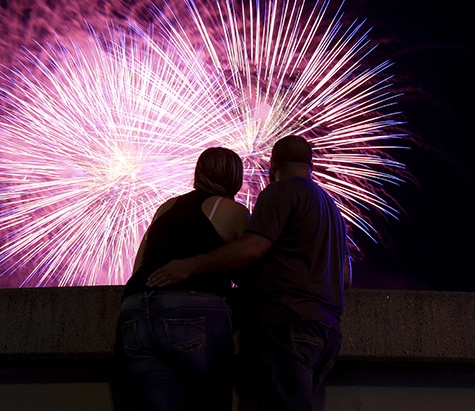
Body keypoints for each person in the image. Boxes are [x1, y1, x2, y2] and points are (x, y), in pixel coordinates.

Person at [147, 135, 352, 411]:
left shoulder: (280, 192)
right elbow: (346, 277)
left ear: (272, 164)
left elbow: (252, 248)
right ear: (310, 165)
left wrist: (189, 265)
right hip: (327, 328)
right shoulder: (333, 209)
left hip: (288, 321)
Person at [118, 147, 250, 411]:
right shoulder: (233, 211)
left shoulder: (165, 208)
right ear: (235, 177)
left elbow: (139, 264)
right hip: (191, 310)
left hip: (134, 313)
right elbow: (251, 273)